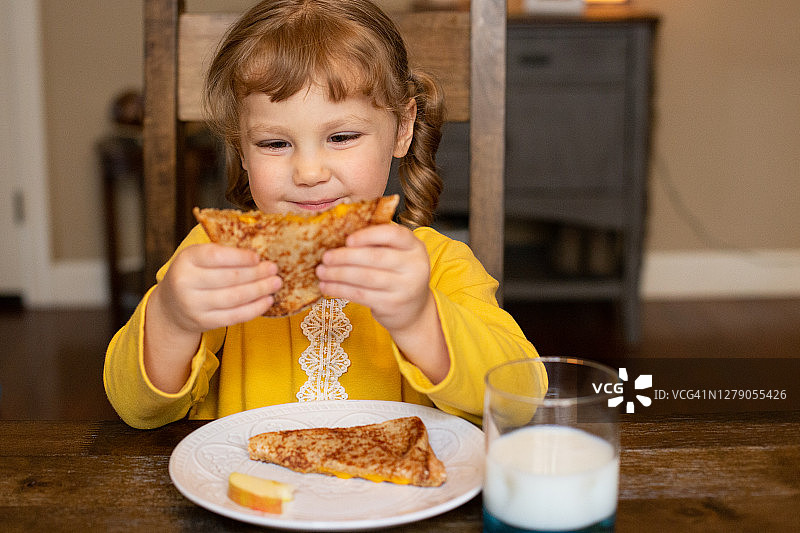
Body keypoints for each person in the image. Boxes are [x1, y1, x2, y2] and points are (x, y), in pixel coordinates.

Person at [104, 0, 537, 429]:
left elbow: (520, 400)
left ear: (402, 128)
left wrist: (421, 317)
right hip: (252, 474)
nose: (309, 173)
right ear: (241, 148)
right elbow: (137, 409)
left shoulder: (440, 265)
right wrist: (173, 318)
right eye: (275, 143)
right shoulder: (216, 257)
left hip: (396, 476)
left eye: (342, 137)